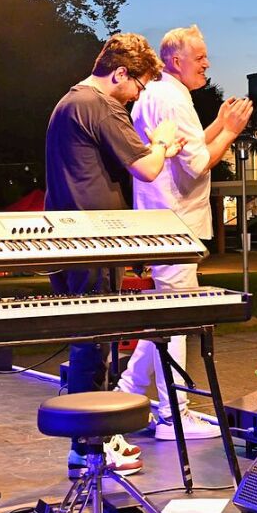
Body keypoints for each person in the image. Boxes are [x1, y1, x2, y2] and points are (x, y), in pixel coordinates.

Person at [46, 32, 182, 477]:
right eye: (138, 85)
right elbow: (145, 167)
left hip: (69, 240)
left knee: (91, 341)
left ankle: (95, 440)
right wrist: (161, 142)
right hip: (93, 241)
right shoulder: (101, 104)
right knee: (95, 342)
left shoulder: (69, 103)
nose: (138, 94)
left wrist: (160, 150)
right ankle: (88, 447)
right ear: (120, 72)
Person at [118, 25, 252, 442]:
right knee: (175, 318)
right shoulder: (174, 99)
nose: (208, 64)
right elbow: (196, 165)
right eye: (201, 57)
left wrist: (215, 124)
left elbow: (188, 148)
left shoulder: (157, 93)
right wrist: (231, 130)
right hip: (173, 225)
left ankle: (128, 394)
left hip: (159, 222)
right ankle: (173, 415)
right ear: (177, 61)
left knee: (163, 316)